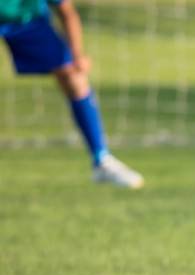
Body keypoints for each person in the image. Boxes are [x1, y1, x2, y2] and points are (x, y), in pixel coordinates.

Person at [1, 0, 143, 189]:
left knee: (73, 76)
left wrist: (77, 55)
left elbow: (67, 12)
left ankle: (102, 160)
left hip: (28, 22)